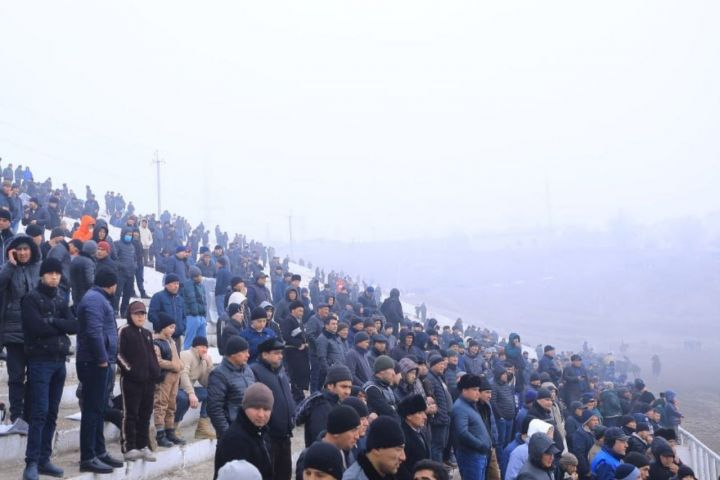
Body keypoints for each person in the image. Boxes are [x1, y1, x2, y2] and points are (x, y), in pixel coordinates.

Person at [21, 257, 79, 480]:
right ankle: (32, 462)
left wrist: (52, 322)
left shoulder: (61, 298)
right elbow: (36, 328)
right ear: (42, 275)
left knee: (52, 413)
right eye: (50, 273)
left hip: (59, 361)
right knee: (39, 413)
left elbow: (74, 325)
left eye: (57, 273)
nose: (54, 276)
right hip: (40, 362)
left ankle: (44, 459)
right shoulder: (31, 298)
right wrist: (59, 325)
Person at [75, 267, 124, 473]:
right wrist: (103, 359)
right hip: (94, 362)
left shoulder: (99, 298)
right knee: (91, 411)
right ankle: (88, 457)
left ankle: (100, 451)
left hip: (99, 361)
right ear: (112, 285)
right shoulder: (95, 300)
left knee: (98, 410)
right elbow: (94, 332)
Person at [0, 234, 41, 429]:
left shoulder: (38, 269)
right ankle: (16, 415)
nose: (23, 252)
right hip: (13, 332)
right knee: (16, 377)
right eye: (19, 249)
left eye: (26, 249)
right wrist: (10, 265)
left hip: (35, 333)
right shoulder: (7, 269)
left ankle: (29, 414)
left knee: (34, 376)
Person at [117, 301, 160, 462]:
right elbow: (118, 354)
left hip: (148, 382)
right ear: (130, 315)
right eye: (137, 314)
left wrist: (156, 372)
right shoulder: (124, 331)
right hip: (131, 382)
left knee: (145, 414)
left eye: (142, 314)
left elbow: (152, 355)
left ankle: (143, 446)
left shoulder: (147, 333)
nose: (140, 317)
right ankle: (129, 447)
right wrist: (131, 371)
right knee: (130, 414)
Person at [251, 338, 296, 480]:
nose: (280, 356)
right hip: (268, 436)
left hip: (285, 434)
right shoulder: (255, 371)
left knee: (284, 474)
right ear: (265, 355)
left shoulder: (281, 370)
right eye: (276, 353)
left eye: (281, 353)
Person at [213, 383, 274, 479]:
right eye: (256, 408)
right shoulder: (234, 440)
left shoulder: (261, 432)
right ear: (245, 407)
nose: (261, 414)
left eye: (266, 409)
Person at [207, 336, 257, 437]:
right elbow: (215, 408)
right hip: (233, 429)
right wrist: (228, 434)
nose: (248, 355)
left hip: (250, 427)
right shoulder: (219, 374)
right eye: (244, 352)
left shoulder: (248, 370)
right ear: (233, 354)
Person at [296, 364, 354, 447]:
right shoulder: (321, 407)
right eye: (343, 387)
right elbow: (320, 442)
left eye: (349, 387)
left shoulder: (336, 402)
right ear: (330, 385)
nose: (347, 392)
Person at [296, 405, 361, 479]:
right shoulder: (309, 455)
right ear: (337, 432)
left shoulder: (346, 451)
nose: (357, 436)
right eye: (353, 430)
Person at [450, 374, 493, 479]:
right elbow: (462, 433)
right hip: (471, 456)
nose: (478, 393)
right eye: (474, 389)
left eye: (478, 389)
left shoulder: (470, 405)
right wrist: (480, 445)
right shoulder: (460, 408)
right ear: (464, 390)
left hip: (479, 455)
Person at [152, 312, 185, 448]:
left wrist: (180, 365)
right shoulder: (156, 342)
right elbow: (158, 361)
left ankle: (169, 431)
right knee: (161, 404)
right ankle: (160, 434)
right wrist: (173, 365)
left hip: (174, 378)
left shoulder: (171, 341)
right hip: (164, 378)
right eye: (171, 327)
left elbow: (177, 357)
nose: (173, 330)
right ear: (162, 327)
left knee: (172, 405)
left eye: (174, 327)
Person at [342, 415, 406, 479]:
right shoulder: (354, 477)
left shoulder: (389, 469)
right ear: (377, 449)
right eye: (398, 449)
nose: (403, 457)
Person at [176, 336, 215, 440]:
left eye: (206, 347)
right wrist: (191, 393)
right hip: (175, 389)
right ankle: (173, 427)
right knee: (183, 398)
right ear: (195, 347)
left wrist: (210, 367)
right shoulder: (186, 354)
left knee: (212, 393)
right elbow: (183, 374)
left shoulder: (203, 361)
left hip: (187, 390)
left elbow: (206, 383)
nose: (205, 350)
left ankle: (202, 428)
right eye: (202, 346)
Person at [279, 300, 310, 402]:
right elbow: (286, 336)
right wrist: (299, 344)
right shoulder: (288, 321)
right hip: (293, 353)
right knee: (296, 376)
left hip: (300, 353)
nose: (302, 313)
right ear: (293, 310)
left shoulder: (298, 321)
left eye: (302, 311)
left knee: (301, 375)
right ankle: (297, 398)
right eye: (299, 310)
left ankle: (299, 395)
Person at [148, 273, 186, 352]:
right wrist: (162, 328)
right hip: (163, 338)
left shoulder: (180, 299)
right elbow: (151, 315)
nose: (176, 286)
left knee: (176, 358)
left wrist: (182, 327)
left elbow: (184, 317)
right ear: (167, 285)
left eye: (177, 284)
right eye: (174, 283)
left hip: (177, 337)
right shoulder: (158, 297)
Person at [397, 394, 430, 480]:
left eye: (424, 412)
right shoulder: (402, 437)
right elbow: (401, 468)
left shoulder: (419, 431)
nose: (425, 417)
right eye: (420, 413)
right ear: (409, 416)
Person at [427, 354, 453, 463]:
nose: (443, 366)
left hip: (444, 417)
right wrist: (438, 412)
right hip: (438, 419)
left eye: (443, 364)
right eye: (440, 364)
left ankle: (440, 466)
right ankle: (436, 469)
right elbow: (430, 398)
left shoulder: (438, 377)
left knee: (442, 446)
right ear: (433, 365)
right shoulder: (430, 378)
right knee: (437, 447)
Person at [183, 266, 208, 349]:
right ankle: (185, 355)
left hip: (201, 316)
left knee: (202, 341)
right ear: (193, 277)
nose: (200, 277)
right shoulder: (188, 285)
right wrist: (195, 313)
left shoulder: (202, 286)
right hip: (192, 316)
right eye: (197, 276)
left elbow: (204, 301)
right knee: (189, 341)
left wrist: (204, 315)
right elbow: (191, 300)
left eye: (200, 275)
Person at [316, 315, 346, 386]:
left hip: (340, 371)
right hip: (329, 375)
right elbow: (322, 358)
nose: (335, 326)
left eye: (336, 324)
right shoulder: (322, 338)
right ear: (326, 326)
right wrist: (329, 373)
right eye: (333, 324)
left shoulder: (337, 337)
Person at [70, 240, 96, 306]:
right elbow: (90, 281)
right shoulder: (89, 262)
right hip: (85, 294)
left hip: (75, 292)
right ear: (93, 251)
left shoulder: (75, 259)